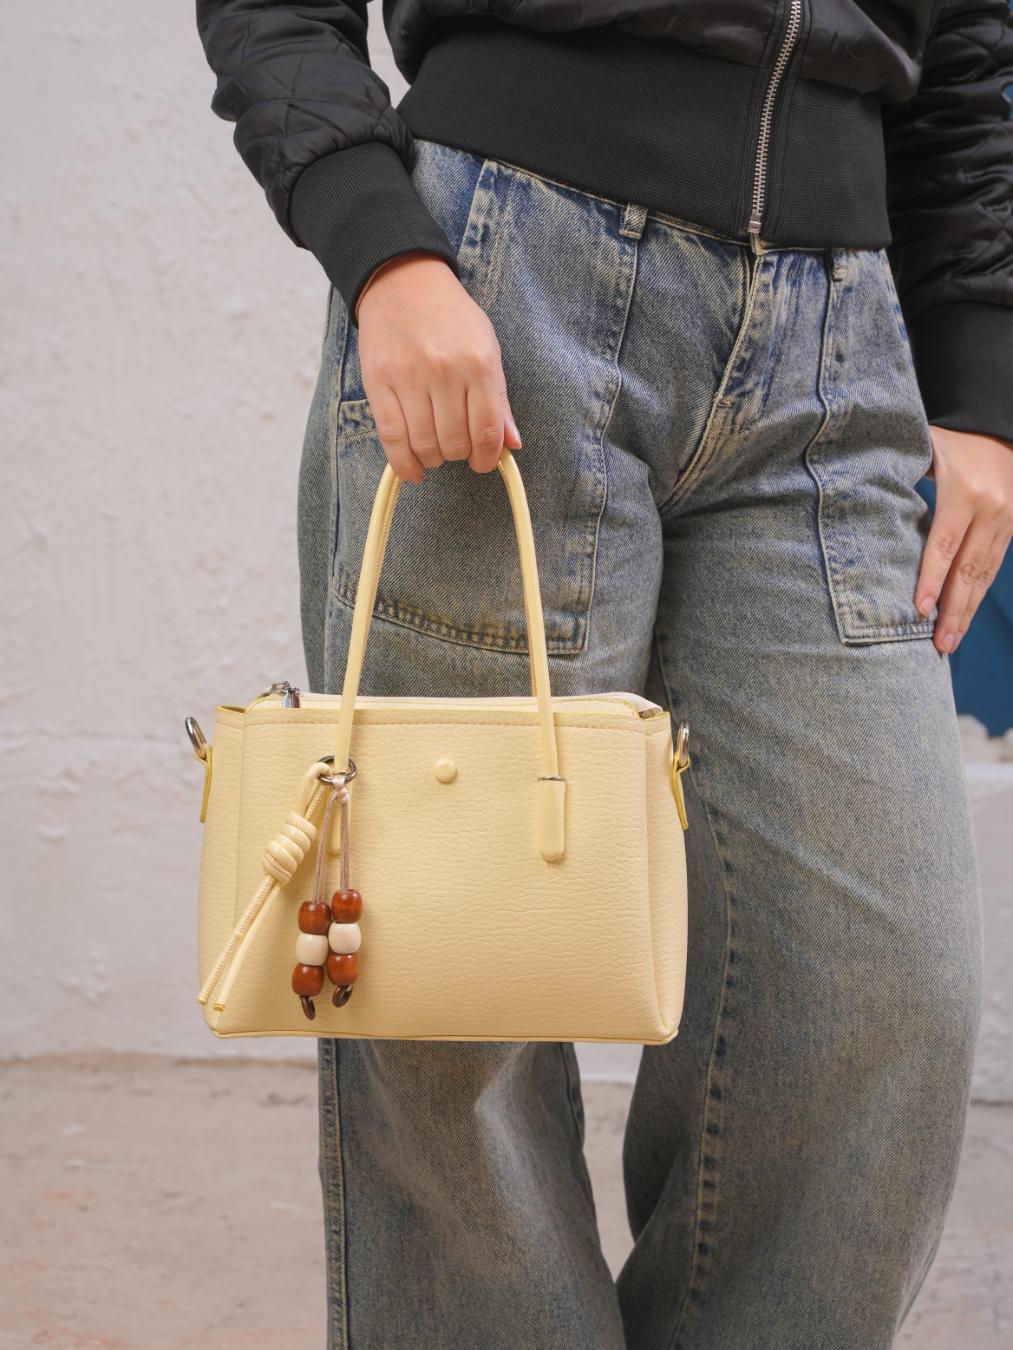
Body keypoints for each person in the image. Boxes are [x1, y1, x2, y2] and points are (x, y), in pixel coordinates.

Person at [196, 4, 1013, 1346]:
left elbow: (972, 39)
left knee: (880, 1000)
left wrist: (977, 368)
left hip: (840, 336)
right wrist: (380, 249)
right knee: (452, 1012)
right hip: (505, 281)